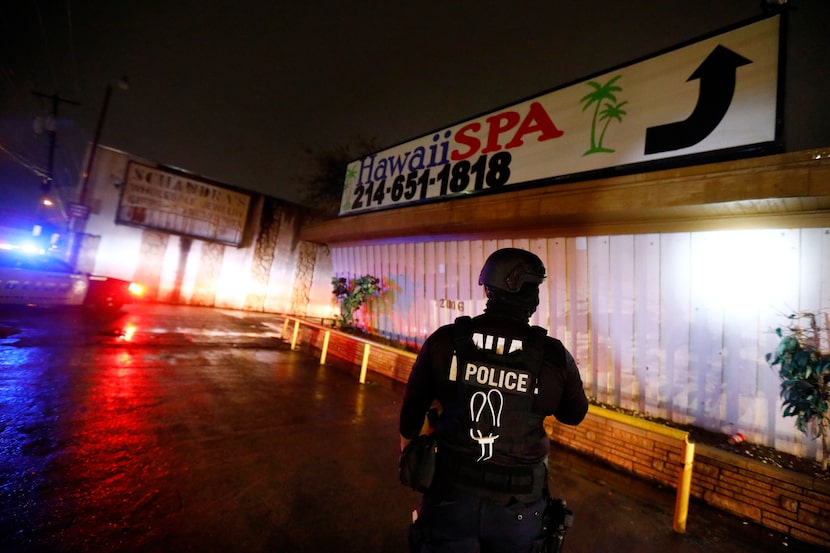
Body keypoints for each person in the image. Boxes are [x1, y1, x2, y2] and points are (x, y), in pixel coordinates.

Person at [399, 247, 589, 553]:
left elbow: (410, 416)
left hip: (449, 496)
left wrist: (410, 451)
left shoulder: (445, 340)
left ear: (488, 289)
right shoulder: (553, 356)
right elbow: (574, 414)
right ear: (533, 297)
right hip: (520, 509)